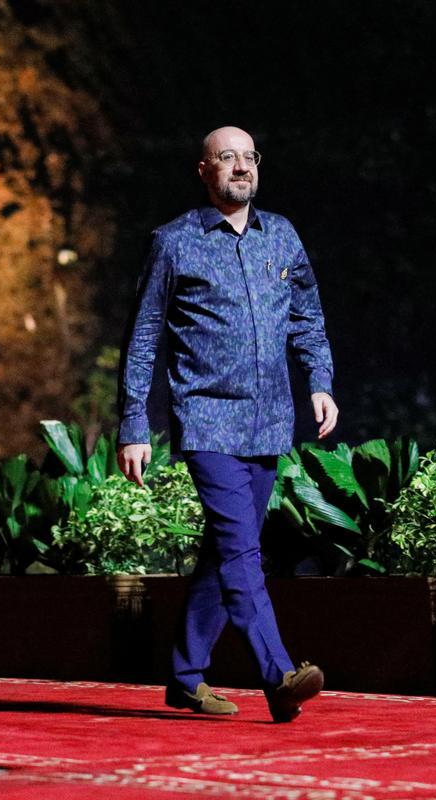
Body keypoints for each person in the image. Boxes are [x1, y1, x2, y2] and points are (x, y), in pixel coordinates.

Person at [117, 126, 339, 723]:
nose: (240, 167)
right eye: (226, 157)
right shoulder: (173, 243)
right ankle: (280, 675)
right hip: (208, 419)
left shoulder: (283, 235)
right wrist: (134, 423)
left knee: (224, 552)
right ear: (203, 170)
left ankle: (186, 677)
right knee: (243, 550)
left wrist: (320, 380)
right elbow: (143, 339)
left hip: (269, 422)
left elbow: (308, 316)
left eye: (248, 157)